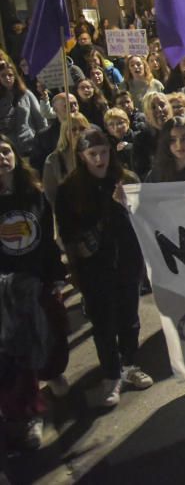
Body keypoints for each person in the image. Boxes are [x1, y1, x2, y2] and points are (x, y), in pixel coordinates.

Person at [55, 127, 153, 408]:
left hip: (127, 261)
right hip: (95, 268)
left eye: (104, 152)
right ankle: (111, 375)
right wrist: (78, 250)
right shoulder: (70, 190)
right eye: (92, 154)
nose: (100, 159)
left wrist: (126, 205)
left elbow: (143, 217)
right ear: (82, 156)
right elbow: (67, 230)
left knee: (129, 318)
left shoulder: (125, 179)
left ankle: (129, 364)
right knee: (104, 323)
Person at [0, 134, 69, 450]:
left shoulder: (35, 194)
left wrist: (55, 275)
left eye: (5, 151)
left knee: (52, 335)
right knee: (20, 351)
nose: (2, 158)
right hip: (9, 290)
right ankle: (32, 413)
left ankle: (53, 372)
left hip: (39, 281)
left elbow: (45, 240)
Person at [0, 53, 48, 158]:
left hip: (31, 145)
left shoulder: (25, 94)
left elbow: (40, 118)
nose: (7, 78)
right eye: (3, 75)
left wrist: (44, 141)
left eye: (10, 75)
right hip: (10, 150)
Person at [41, 112, 90, 205]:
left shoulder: (95, 153)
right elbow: (50, 194)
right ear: (65, 133)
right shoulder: (53, 159)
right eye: (73, 129)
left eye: (82, 128)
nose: (78, 133)